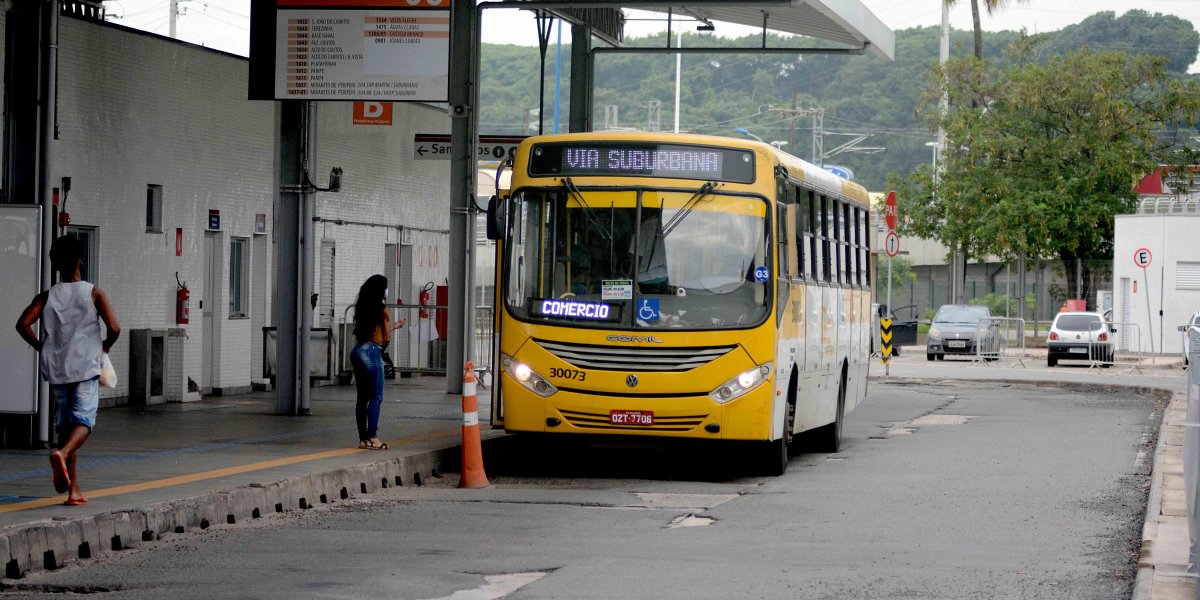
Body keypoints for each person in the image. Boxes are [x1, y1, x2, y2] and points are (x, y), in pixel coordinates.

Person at [15, 236, 120, 506]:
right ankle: (62, 454)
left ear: (58, 264)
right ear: (80, 262)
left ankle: (74, 490)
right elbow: (115, 327)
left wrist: (42, 347)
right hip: (85, 369)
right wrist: (105, 346)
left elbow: (23, 324)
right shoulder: (93, 293)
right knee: (84, 423)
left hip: (58, 371)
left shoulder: (48, 296)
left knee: (66, 428)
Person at [350, 274, 404, 450]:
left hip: (358, 351)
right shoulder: (383, 308)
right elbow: (385, 337)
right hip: (373, 353)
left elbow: (375, 331)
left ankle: (363, 439)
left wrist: (392, 326)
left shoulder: (363, 306)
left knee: (362, 398)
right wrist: (384, 345)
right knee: (376, 396)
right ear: (381, 290)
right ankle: (373, 437)